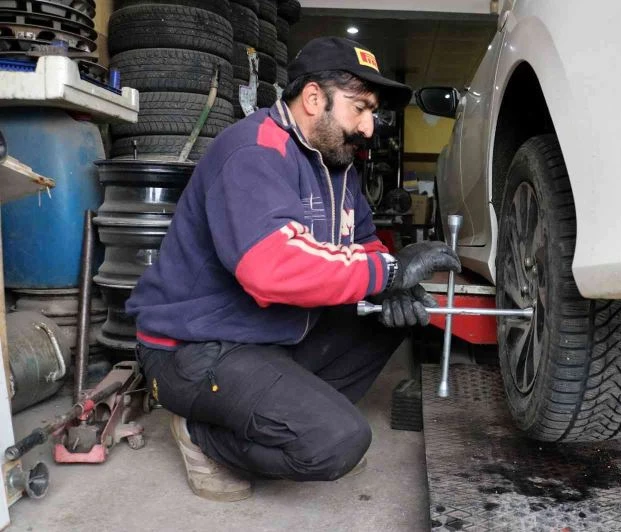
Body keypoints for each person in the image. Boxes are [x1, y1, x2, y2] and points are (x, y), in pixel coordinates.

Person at [126, 36, 461, 502]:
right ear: (312, 99)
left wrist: (388, 282)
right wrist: (387, 273)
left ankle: (290, 416)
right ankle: (203, 438)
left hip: (267, 334)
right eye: (359, 108)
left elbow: (362, 243)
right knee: (338, 443)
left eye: (372, 113)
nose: (368, 127)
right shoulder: (254, 151)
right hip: (195, 346)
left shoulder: (340, 166)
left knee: (388, 317)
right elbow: (270, 267)